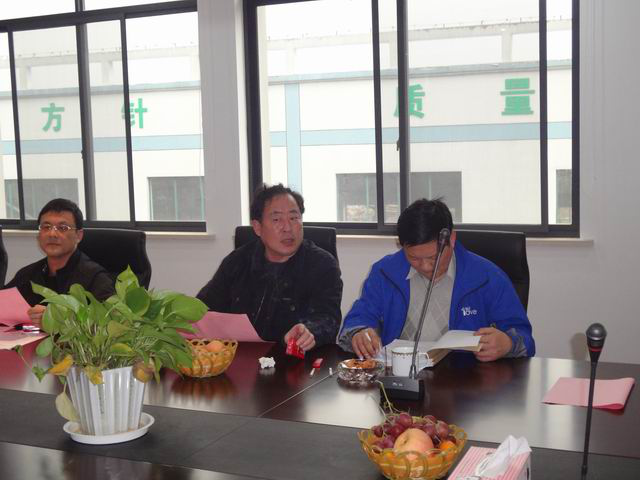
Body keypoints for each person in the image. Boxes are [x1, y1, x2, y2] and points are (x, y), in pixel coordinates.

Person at [338, 198, 535, 362]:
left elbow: (525, 338)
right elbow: (359, 318)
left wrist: (508, 343)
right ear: (402, 246)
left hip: (466, 382)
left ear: (452, 239)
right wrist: (359, 332)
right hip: (400, 376)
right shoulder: (385, 272)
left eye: (433, 258)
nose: (425, 266)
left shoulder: (487, 277)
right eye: (414, 258)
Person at [197, 184, 343, 351]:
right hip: (242, 357)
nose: (288, 228)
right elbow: (203, 308)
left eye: (294, 218)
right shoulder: (237, 261)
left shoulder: (322, 265)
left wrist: (309, 331)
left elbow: (328, 318)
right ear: (257, 227)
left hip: (295, 360)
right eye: (276, 219)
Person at [4, 198, 115, 325]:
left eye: (62, 228)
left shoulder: (94, 278)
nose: (52, 234)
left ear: (78, 235)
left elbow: (110, 322)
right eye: (46, 227)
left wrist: (57, 320)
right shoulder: (27, 275)